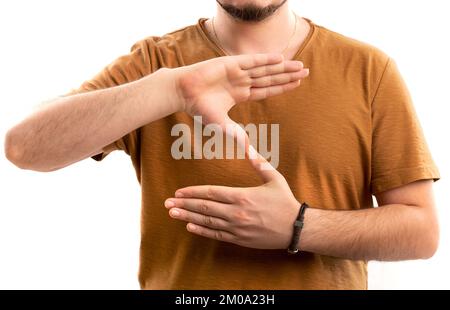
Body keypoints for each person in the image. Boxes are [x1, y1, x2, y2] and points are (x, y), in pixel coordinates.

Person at [4, 0, 441, 290]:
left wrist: (299, 226)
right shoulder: (158, 64)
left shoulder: (368, 70)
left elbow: (421, 232)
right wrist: (173, 88)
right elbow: (24, 147)